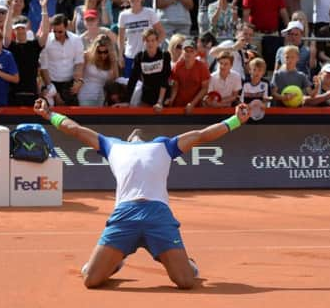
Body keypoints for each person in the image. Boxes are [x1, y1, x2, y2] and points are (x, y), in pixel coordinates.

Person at [32, 96, 250, 289]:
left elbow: (201, 135)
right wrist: (50, 114)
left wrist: (235, 121)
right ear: (128, 139)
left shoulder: (163, 146)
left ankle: (185, 262)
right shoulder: (110, 145)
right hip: (125, 216)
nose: (135, 136)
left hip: (158, 215)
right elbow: (76, 130)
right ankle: (116, 261)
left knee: (186, 280)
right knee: (90, 279)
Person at [126, 28, 171, 112]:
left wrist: (160, 102)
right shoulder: (139, 57)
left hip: (163, 98)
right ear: (144, 41)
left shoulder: (165, 55)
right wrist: (127, 101)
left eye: (153, 40)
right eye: (147, 40)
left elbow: (165, 79)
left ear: (158, 41)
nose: (150, 43)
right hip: (146, 97)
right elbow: (133, 79)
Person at [166, 38, 210, 114]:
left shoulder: (202, 67)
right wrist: (171, 100)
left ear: (196, 52)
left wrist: (192, 104)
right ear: (182, 52)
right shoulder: (177, 66)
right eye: (186, 51)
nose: (188, 53)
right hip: (178, 106)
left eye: (191, 51)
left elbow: (205, 88)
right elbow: (175, 86)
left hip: (196, 107)